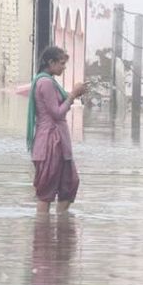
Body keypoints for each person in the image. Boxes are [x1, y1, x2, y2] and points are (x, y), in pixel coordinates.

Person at [26, 46, 87, 214]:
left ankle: (61, 225)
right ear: (50, 63)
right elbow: (57, 113)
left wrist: (74, 93)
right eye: (61, 63)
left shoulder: (49, 81)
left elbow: (58, 105)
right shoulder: (45, 82)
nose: (64, 67)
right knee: (46, 192)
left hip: (59, 143)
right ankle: (44, 234)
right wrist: (73, 95)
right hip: (50, 144)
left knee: (70, 184)